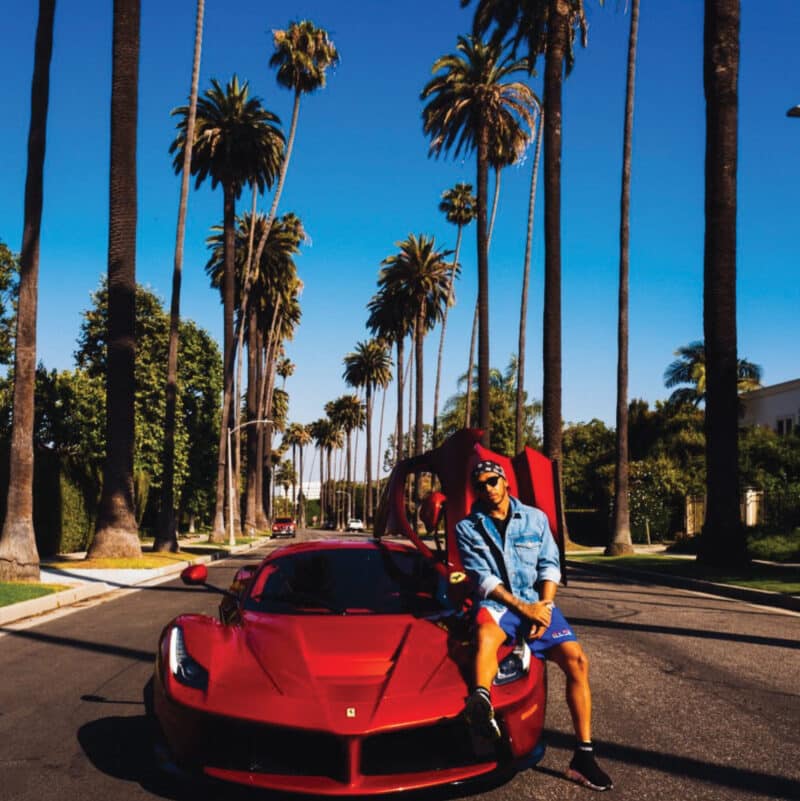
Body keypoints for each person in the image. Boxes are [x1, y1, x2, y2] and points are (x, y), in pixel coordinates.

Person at [455, 459, 614, 792]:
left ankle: (583, 757)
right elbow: (483, 579)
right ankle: (481, 704)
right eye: (481, 484)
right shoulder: (467, 527)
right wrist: (523, 609)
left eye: (492, 481)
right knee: (485, 632)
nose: (488, 488)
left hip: (537, 603)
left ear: (505, 482)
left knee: (578, 661)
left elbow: (549, 565)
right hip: (501, 605)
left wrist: (544, 607)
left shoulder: (535, 518)